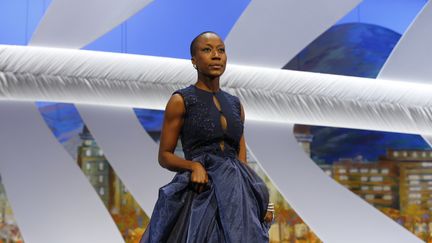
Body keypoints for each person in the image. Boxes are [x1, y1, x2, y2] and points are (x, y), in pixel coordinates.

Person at [140, 31, 273, 243]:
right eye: (207, 50)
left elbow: (241, 158)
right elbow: (164, 156)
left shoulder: (235, 104)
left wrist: (257, 197)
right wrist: (193, 167)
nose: (216, 55)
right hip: (200, 194)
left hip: (235, 194)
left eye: (221, 50)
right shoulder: (181, 100)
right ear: (194, 60)